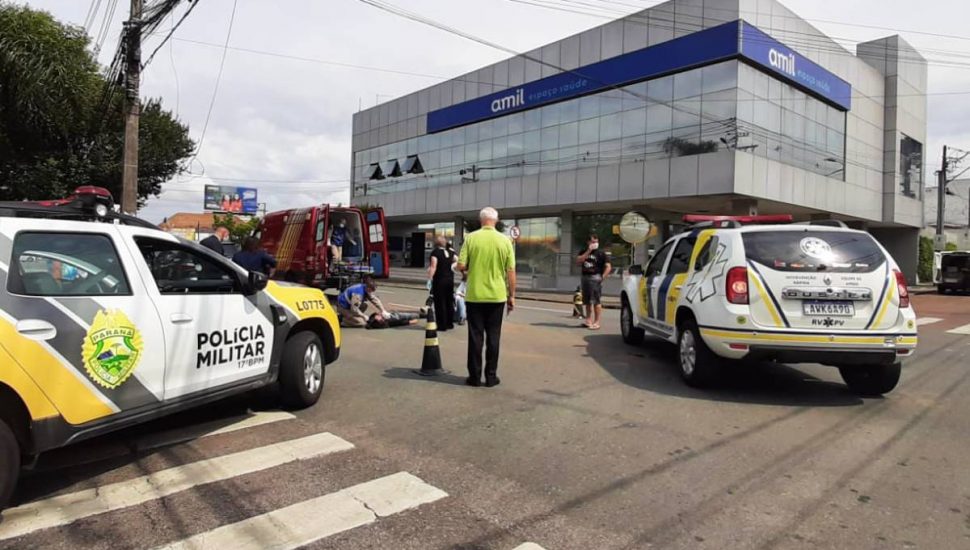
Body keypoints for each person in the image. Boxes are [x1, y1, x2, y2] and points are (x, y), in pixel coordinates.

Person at [457, 207, 515, 388]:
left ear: (480, 220)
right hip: (497, 297)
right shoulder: (505, 241)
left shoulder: (471, 238)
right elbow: (511, 271)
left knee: (475, 337)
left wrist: (468, 268)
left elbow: (460, 265)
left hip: (475, 296)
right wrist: (512, 296)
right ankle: (491, 377)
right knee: (493, 337)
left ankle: (474, 377)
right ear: (496, 220)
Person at [576, 233, 612, 330]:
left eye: (596, 242)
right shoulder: (584, 251)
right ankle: (588, 320)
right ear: (588, 242)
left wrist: (602, 277)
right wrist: (588, 251)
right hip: (585, 277)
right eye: (593, 242)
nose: (595, 243)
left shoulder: (601, 253)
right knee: (587, 301)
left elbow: (608, 267)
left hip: (595, 277)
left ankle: (596, 322)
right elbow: (578, 261)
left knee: (596, 300)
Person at [427, 235, 456, 332]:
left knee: (440, 303)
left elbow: (433, 266)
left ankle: (442, 325)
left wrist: (430, 279)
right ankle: (449, 323)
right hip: (450, 280)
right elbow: (459, 261)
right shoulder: (451, 252)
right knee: (449, 302)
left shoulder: (435, 252)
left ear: (436, 243)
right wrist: (452, 267)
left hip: (439, 281)